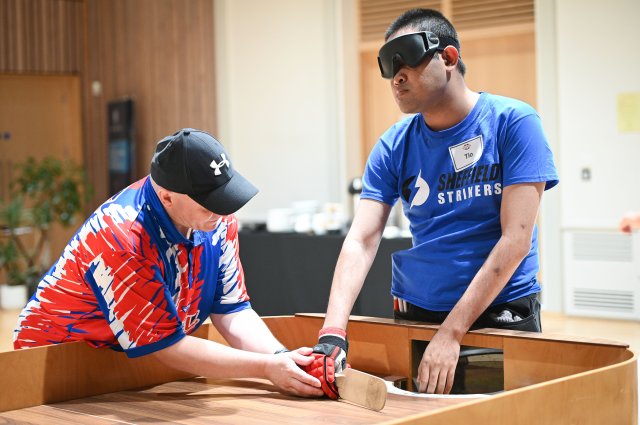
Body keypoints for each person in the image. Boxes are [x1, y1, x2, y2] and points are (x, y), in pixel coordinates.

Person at [306, 8, 559, 397]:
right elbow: (362, 239)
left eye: (406, 58)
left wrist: (452, 332)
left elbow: (516, 239)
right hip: (419, 310)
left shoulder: (513, 122)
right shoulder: (394, 143)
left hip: (499, 311)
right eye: (388, 67)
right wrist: (333, 332)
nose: (397, 76)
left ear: (449, 58)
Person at [13, 128, 323, 397]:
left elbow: (231, 309)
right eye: (210, 204)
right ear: (167, 197)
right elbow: (165, 344)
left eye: (224, 198)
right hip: (56, 361)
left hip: (132, 362)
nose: (221, 212)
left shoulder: (216, 218)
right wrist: (267, 368)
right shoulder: (121, 236)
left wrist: (282, 358)